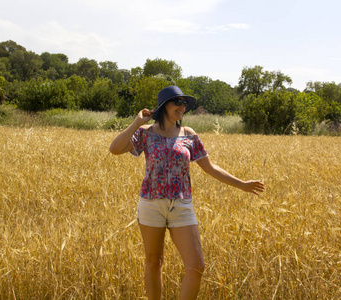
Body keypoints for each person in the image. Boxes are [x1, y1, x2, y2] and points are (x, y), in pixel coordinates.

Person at [109, 86, 265, 300]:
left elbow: (210, 167)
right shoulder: (146, 134)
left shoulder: (188, 134)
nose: (183, 107)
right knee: (154, 261)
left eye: (184, 103)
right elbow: (115, 148)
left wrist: (242, 184)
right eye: (178, 102)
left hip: (181, 205)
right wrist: (137, 122)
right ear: (164, 107)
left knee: (196, 265)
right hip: (151, 203)